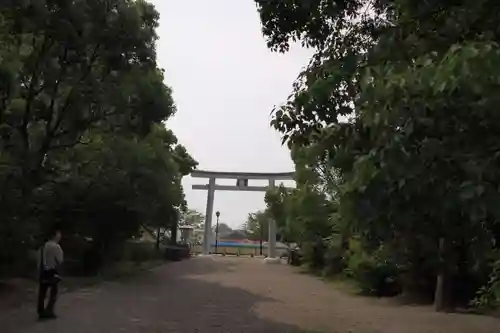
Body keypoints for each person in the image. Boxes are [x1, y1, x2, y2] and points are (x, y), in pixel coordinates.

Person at [37, 229, 63, 320]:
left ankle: (40, 311)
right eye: (59, 236)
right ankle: (49, 310)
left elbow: (39, 260)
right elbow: (59, 260)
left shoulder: (43, 246)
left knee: (42, 292)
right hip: (52, 272)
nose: (60, 238)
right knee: (53, 292)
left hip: (43, 272)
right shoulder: (56, 247)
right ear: (55, 236)